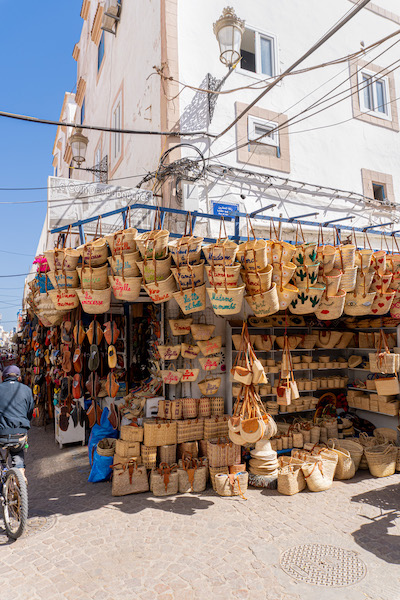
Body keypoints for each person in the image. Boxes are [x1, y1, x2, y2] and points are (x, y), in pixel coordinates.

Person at [0, 365, 34, 471]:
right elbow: (30, 412)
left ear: (3, 378)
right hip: (20, 433)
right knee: (17, 453)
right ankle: (20, 474)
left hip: (1, 433)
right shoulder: (27, 390)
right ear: (19, 378)